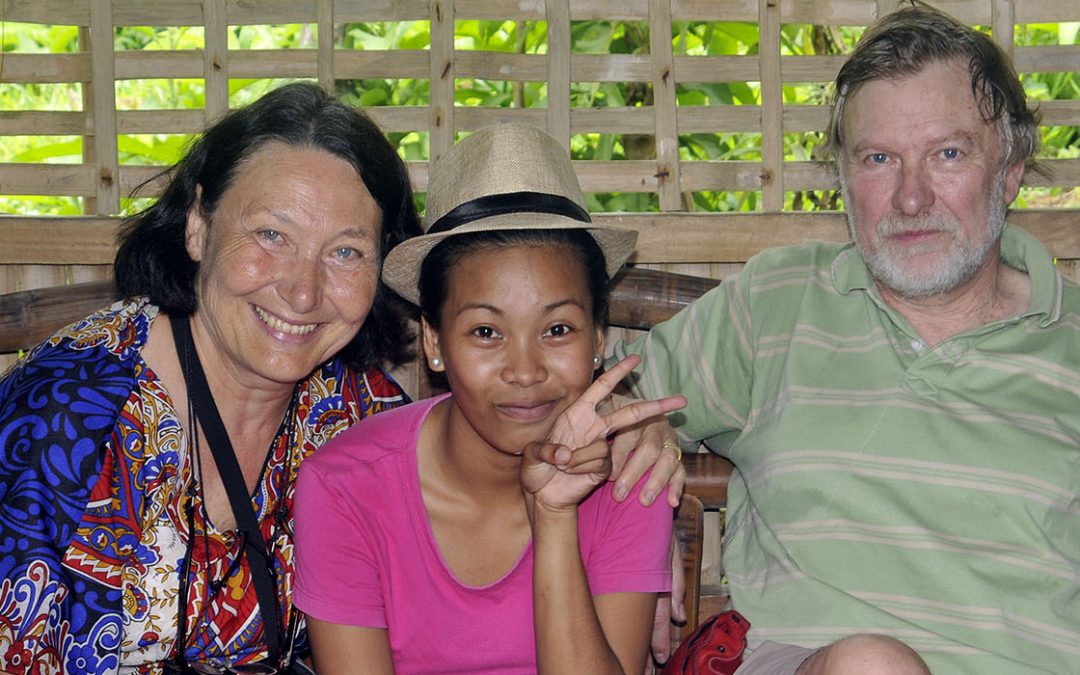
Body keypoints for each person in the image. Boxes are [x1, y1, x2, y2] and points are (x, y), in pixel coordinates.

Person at [0, 85, 684, 674]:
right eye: (272, 234)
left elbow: (494, 416)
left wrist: (637, 433)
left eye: (346, 251)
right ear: (199, 225)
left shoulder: (344, 407)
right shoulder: (68, 417)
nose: (302, 290)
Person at [614, 3, 1078, 675]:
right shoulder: (778, 303)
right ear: (841, 178)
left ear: (1008, 172)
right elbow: (598, 410)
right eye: (879, 158)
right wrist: (636, 483)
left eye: (947, 154)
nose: (911, 197)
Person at [292, 123, 687, 674]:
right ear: (434, 341)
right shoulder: (346, 488)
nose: (525, 372)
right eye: (485, 332)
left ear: (598, 340)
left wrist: (553, 514)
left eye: (557, 331)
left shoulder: (629, 476)